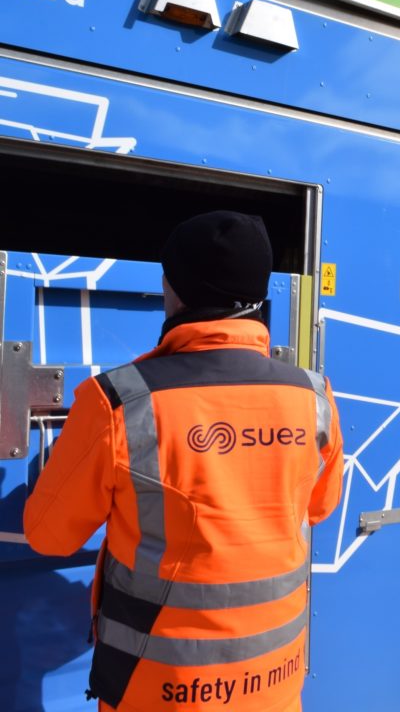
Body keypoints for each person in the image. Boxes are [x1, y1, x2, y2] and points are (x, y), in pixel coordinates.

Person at [24, 211, 343, 712]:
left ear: (174, 290)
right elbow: (319, 508)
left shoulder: (116, 401)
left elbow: (49, 535)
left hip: (158, 692)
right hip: (276, 682)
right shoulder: (313, 395)